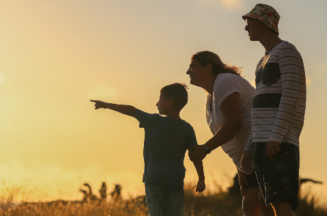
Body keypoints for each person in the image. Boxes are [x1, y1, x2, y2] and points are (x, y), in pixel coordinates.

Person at [91, 83, 205, 216]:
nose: (157, 103)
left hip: (154, 181)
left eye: (160, 99)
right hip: (175, 181)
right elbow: (195, 155)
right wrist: (201, 178)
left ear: (169, 102)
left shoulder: (153, 121)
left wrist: (106, 105)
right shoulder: (187, 128)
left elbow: (131, 110)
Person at [240, 4, 306, 216]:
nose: (246, 27)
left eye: (249, 22)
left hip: (278, 142)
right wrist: (250, 147)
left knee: (281, 203)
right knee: (269, 202)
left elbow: (290, 95)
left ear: (262, 23)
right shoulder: (262, 61)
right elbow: (258, 110)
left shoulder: (287, 52)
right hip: (263, 141)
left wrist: (276, 136)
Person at [187, 51, 261, 216]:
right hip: (247, 163)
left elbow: (235, 123)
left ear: (208, 67)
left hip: (262, 153)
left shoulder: (224, 81)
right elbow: (234, 137)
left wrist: (205, 149)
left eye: (193, 66)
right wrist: (240, 169)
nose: (188, 71)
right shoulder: (210, 98)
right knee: (250, 208)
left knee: (266, 207)